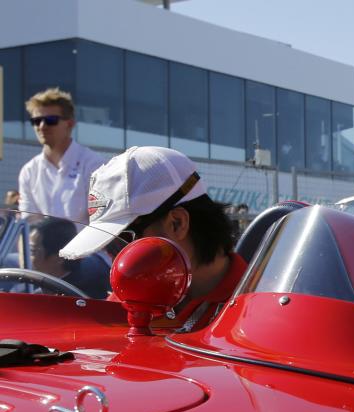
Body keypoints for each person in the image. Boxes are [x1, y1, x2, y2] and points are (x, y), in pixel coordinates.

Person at [60, 146, 247, 330]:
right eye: (107, 245)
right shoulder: (130, 298)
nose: (116, 258)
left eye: (123, 239)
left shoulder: (258, 305)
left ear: (177, 223)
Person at [18, 88, 105, 223]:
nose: (42, 126)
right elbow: (29, 223)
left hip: (86, 244)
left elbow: (101, 221)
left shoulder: (94, 165)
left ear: (70, 124)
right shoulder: (28, 171)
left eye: (50, 120)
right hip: (44, 244)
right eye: (36, 120)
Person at [29, 218, 111, 298]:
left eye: (32, 251)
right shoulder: (28, 283)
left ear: (58, 257)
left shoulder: (85, 293)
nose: (27, 256)